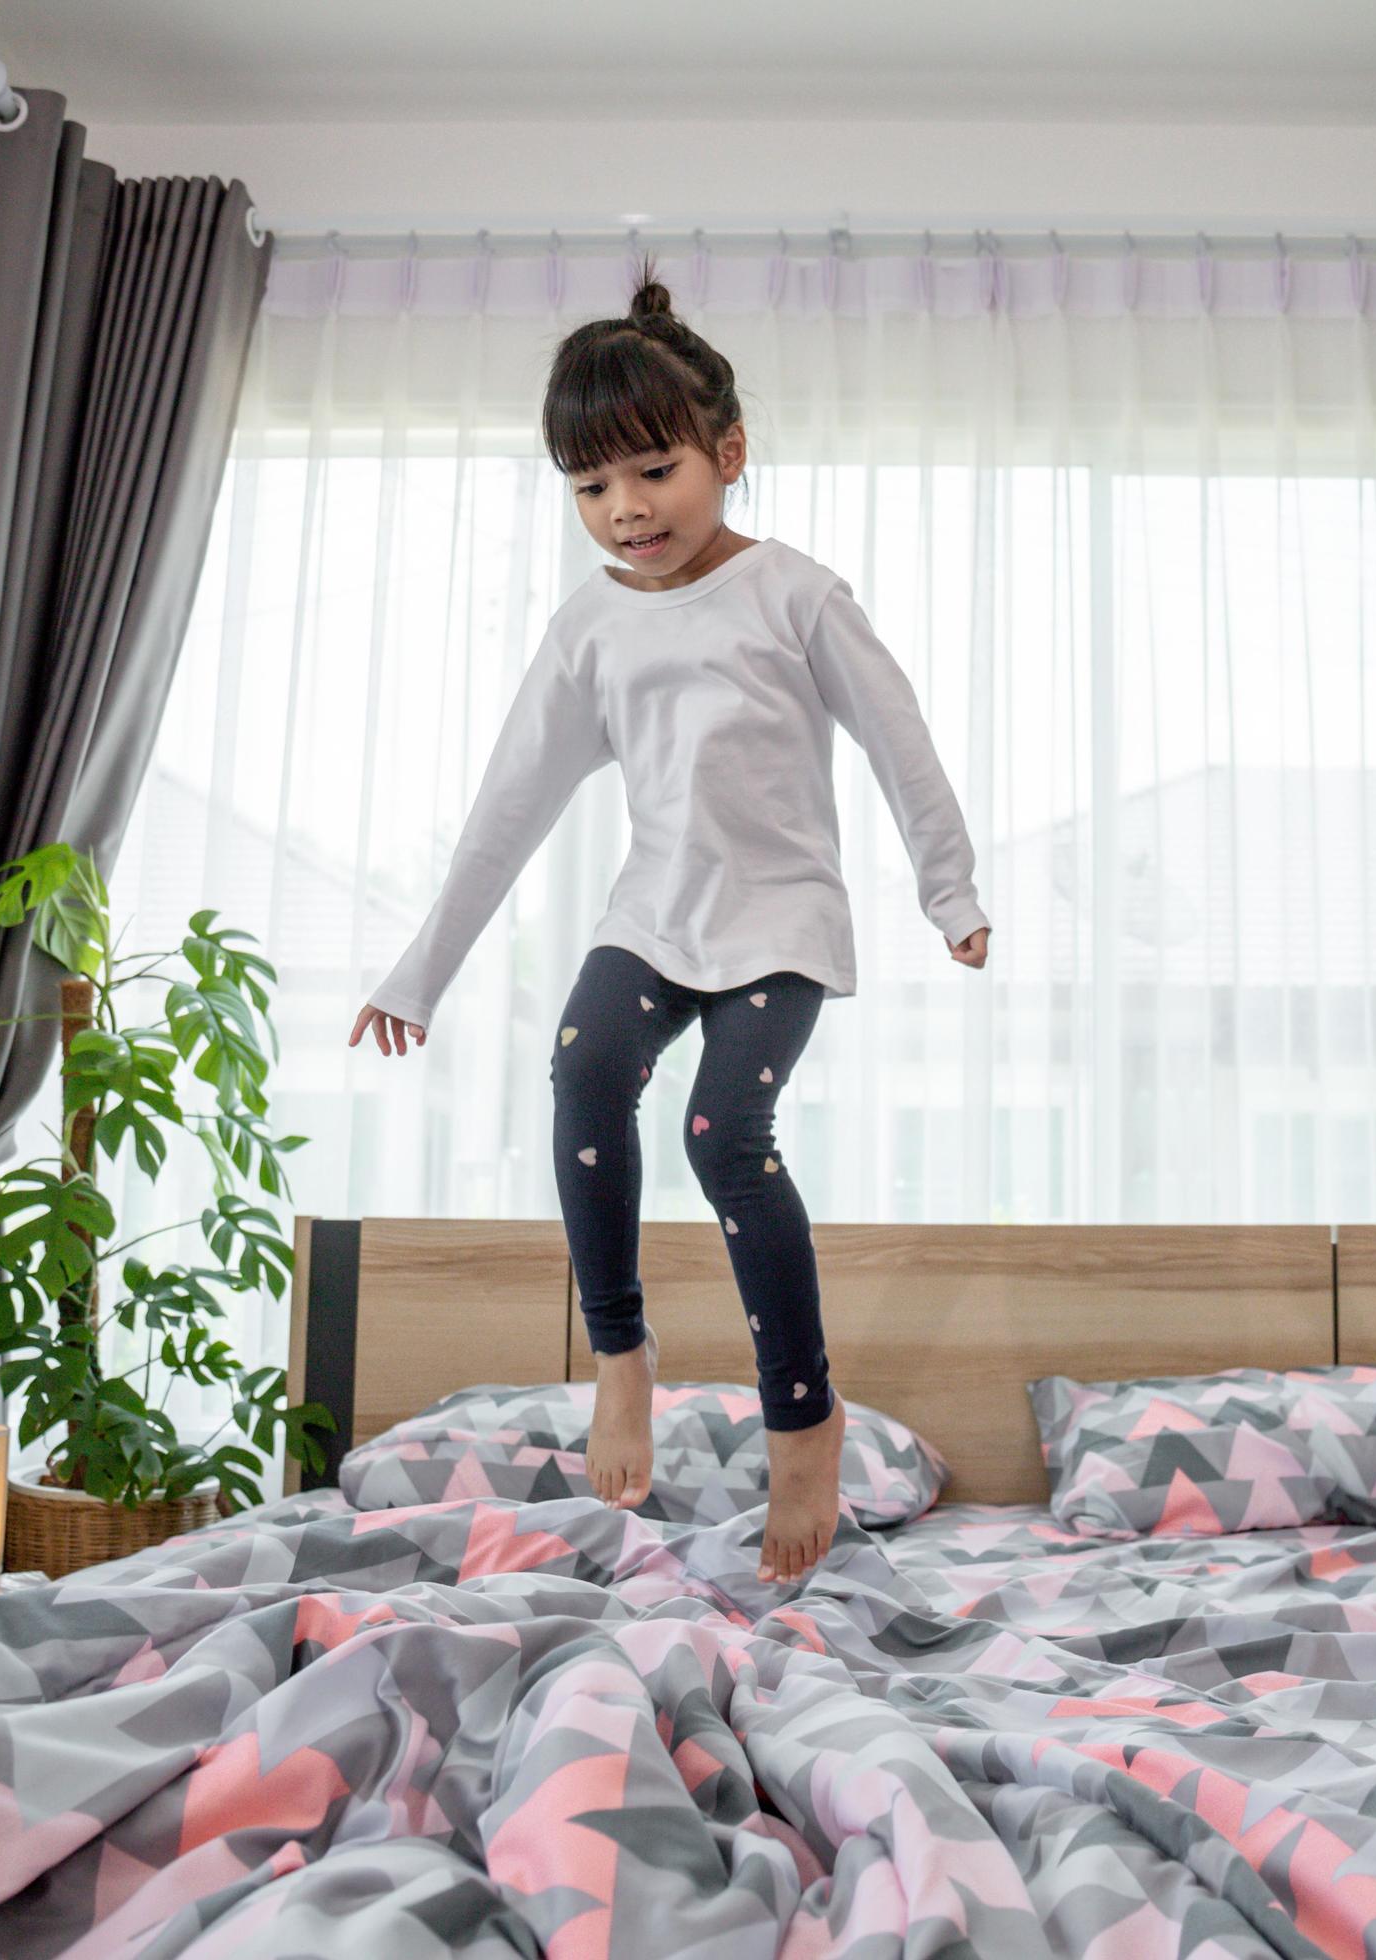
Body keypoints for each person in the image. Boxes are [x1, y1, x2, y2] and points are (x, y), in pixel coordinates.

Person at [347, 265, 991, 1585]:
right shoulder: (588, 628)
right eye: (592, 488)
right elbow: (504, 811)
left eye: (653, 471)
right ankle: (621, 1356)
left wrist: (951, 894)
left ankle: (801, 1418)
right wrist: (421, 969)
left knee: (722, 1133)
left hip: (781, 924)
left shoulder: (796, 595)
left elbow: (900, 741)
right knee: (584, 1073)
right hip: (654, 915)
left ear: (728, 453)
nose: (627, 510)